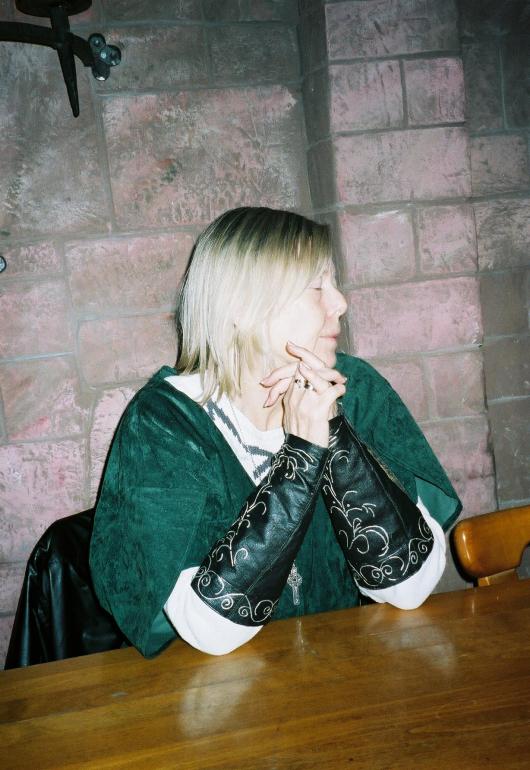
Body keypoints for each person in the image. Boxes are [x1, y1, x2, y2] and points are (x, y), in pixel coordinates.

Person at [89, 207, 461, 658]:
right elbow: (211, 631)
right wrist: (303, 456)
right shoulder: (166, 423)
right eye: (318, 287)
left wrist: (333, 430)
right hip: (217, 688)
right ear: (242, 306)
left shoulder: (356, 388)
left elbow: (410, 589)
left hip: (346, 670)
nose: (340, 303)